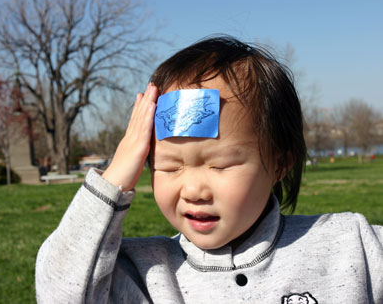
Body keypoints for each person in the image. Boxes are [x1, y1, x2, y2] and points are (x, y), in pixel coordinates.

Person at [35, 36, 382, 303]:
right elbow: (59, 291)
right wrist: (114, 177)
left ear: (281, 162)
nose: (194, 190)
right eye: (169, 167)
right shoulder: (143, 273)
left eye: (221, 165)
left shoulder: (350, 245)